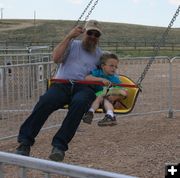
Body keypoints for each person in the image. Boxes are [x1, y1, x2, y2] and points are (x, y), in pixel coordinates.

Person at [15, 20, 103, 161]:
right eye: (90, 32)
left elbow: (105, 73)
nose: (92, 36)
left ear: (99, 37)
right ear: (83, 33)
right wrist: (68, 36)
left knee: (80, 103)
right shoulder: (72, 45)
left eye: (96, 34)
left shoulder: (100, 55)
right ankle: (25, 142)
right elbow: (56, 58)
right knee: (46, 101)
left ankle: (59, 146)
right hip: (63, 84)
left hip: (84, 87)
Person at [82, 52, 128, 126]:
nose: (114, 68)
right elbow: (87, 78)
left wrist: (110, 92)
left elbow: (124, 92)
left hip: (109, 99)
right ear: (103, 66)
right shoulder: (97, 73)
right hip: (97, 97)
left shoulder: (115, 79)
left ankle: (109, 115)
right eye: (111, 66)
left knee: (104, 97)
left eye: (116, 67)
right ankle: (90, 113)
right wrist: (101, 80)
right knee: (100, 96)